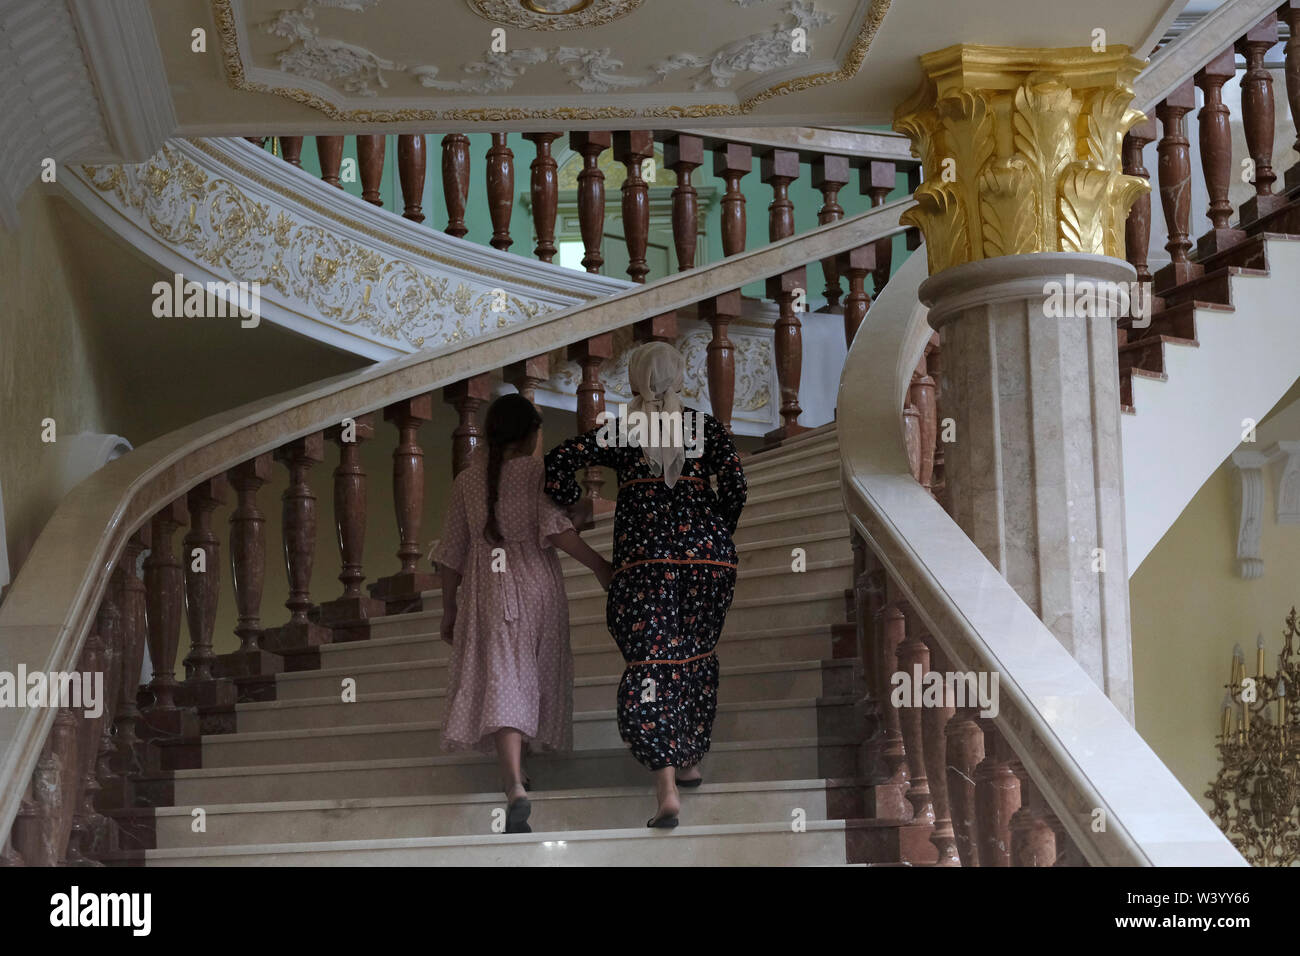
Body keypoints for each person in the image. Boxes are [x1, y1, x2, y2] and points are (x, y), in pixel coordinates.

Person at [544, 342, 747, 828]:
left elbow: (557, 460)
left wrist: (574, 505)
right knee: (695, 656)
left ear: (636, 379)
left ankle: (667, 787)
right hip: (709, 563)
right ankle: (691, 759)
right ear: (677, 377)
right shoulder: (705, 427)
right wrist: (714, 530)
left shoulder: (623, 430)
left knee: (652, 661)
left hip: (646, 564)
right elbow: (736, 485)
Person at [431, 393, 613, 834]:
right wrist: (600, 567)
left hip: (486, 588)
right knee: (531, 670)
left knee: (503, 675)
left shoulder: (466, 481)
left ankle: (514, 780)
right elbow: (558, 532)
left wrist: (449, 608)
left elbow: (451, 553)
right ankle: (520, 770)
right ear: (531, 435)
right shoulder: (537, 472)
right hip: (536, 585)